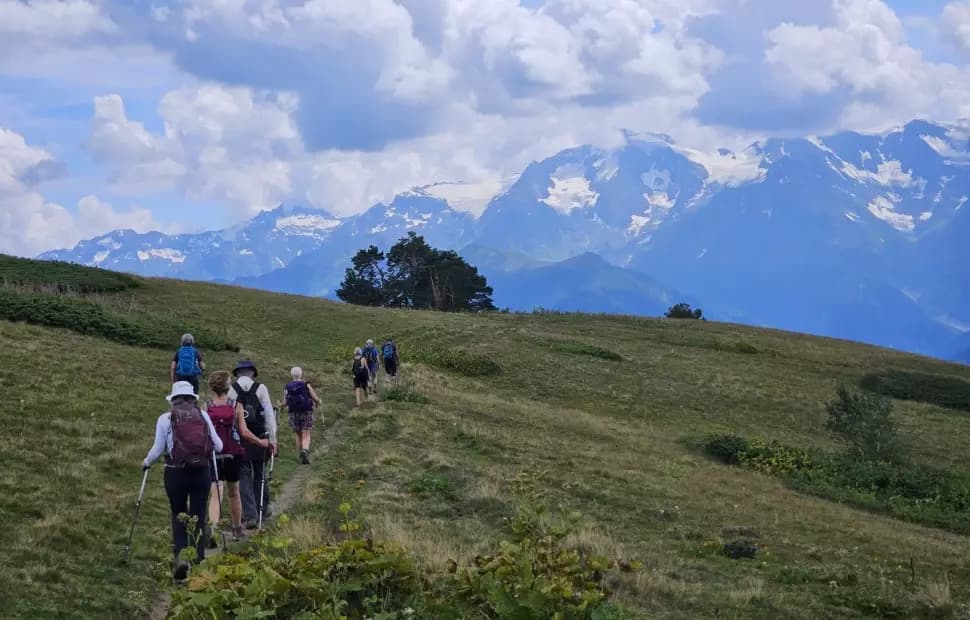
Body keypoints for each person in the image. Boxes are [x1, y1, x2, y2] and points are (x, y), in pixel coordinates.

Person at [142, 381, 223, 581]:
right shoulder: (203, 415)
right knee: (198, 513)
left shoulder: (165, 418)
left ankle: (181, 556)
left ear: (173, 399)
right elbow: (219, 446)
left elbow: (158, 448)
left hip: (175, 473)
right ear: (192, 398)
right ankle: (198, 562)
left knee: (179, 513)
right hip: (201, 472)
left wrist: (146, 462)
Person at [204, 371, 269, 543]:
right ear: (228, 386)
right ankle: (237, 529)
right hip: (234, 453)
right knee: (234, 493)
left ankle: (213, 529)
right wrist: (260, 442)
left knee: (216, 493)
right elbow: (244, 432)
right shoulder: (235, 404)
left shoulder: (206, 405)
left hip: (213, 454)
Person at [228, 360, 278, 529]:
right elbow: (269, 415)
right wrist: (272, 439)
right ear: (252, 373)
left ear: (238, 373)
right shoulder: (261, 389)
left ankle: (250, 516)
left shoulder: (231, 390)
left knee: (243, 475)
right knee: (259, 473)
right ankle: (262, 509)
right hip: (260, 437)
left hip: (240, 438)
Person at [281, 367, 322, 465]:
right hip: (306, 411)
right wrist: (318, 402)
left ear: (292, 375)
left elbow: (285, 402)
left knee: (298, 434)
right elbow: (313, 396)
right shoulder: (305, 384)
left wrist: (280, 405)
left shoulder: (287, 386)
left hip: (293, 412)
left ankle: (300, 455)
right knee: (306, 433)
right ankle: (305, 451)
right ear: (301, 374)